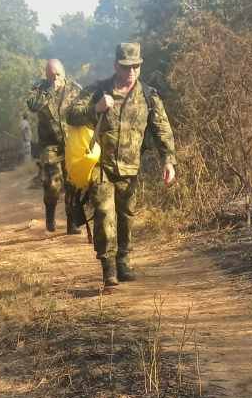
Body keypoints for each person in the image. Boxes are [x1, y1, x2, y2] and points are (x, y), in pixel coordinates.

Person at [67, 41, 175, 289]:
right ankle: (109, 268)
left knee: (126, 216)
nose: (131, 72)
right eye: (126, 67)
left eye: (136, 66)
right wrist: (96, 108)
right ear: (116, 65)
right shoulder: (99, 90)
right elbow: (70, 115)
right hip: (100, 165)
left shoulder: (148, 95)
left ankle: (123, 261)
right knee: (104, 214)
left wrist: (168, 161)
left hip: (130, 167)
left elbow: (162, 130)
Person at [26, 57, 84, 234]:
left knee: (73, 183)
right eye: (51, 75)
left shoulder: (75, 89)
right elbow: (33, 106)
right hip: (49, 145)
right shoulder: (39, 89)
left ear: (64, 73)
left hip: (72, 143)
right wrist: (49, 90)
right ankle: (50, 214)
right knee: (52, 185)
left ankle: (72, 222)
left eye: (58, 75)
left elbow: (85, 111)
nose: (55, 78)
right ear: (45, 75)